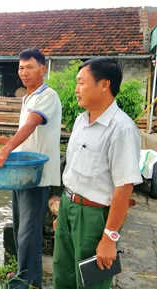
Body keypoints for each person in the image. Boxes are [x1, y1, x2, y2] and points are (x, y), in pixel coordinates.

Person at [53, 58, 143, 289]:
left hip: (94, 217)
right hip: (69, 208)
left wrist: (109, 238)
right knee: (63, 277)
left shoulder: (121, 128)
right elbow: (73, 172)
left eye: (81, 82)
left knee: (91, 283)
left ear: (104, 85)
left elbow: (124, 187)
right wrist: (64, 214)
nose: (76, 89)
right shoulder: (81, 121)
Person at [0, 48, 62, 289]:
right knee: (19, 226)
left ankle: (26, 282)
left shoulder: (47, 96)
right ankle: (26, 276)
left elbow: (30, 125)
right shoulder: (28, 98)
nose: (23, 72)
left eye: (29, 67)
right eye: (21, 67)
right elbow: (27, 139)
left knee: (29, 230)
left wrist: (5, 152)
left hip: (37, 174)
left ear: (43, 69)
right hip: (22, 172)